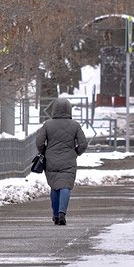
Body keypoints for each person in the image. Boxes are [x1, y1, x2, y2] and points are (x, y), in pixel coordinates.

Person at [35, 97, 88, 226]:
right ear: (69, 110)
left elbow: (39, 142)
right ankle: (62, 213)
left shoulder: (47, 125)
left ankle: (54, 215)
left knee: (54, 186)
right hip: (69, 159)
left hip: (51, 159)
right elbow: (83, 143)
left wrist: (44, 151)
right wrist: (76, 152)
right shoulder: (75, 125)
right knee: (65, 186)